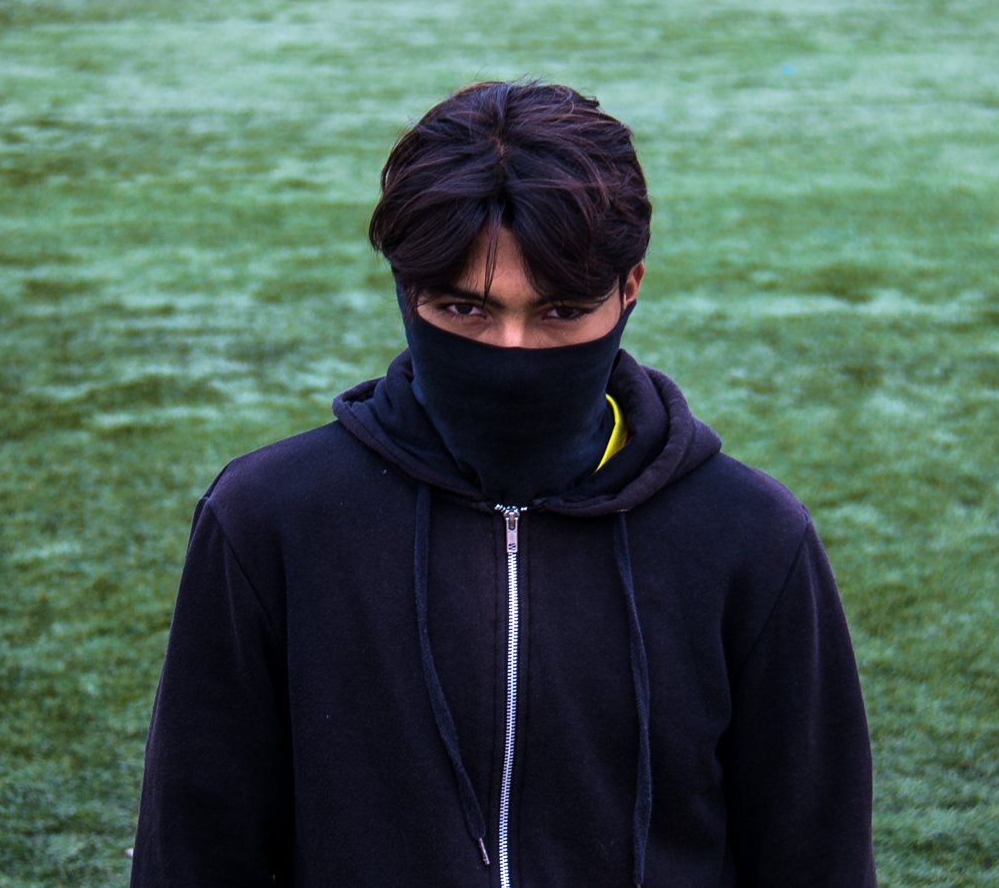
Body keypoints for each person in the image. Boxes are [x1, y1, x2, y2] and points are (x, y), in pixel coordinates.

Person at [131, 80, 874, 887]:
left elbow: (814, 852)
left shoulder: (749, 536)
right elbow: (198, 847)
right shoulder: (270, 518)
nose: (512, 351)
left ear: (630, 288)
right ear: (404, 292)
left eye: (560, 313)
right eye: (464, 309)